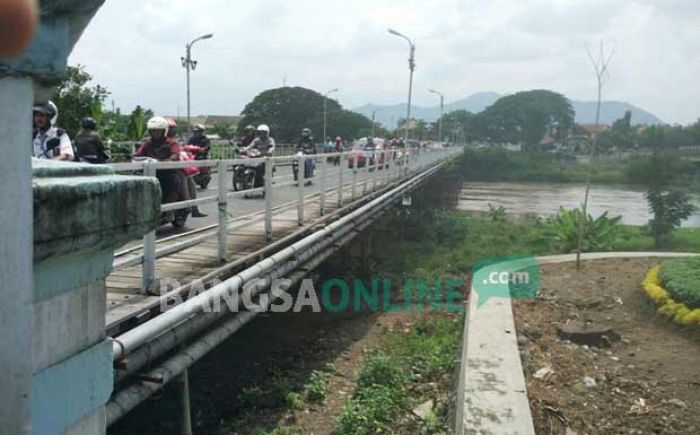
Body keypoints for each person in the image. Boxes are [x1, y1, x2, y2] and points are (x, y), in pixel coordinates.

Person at [134, 116, 182, 203]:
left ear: (163, 131)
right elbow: (139, 154)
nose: (155, 133)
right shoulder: (148, 143)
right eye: (152, 131)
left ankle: (169, 212)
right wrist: (135, 158)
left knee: (174, 182)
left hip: (167, 172)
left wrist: (163, 161)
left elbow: (175, 155)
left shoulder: (171, 142)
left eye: (157, 131)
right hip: (150, 173)